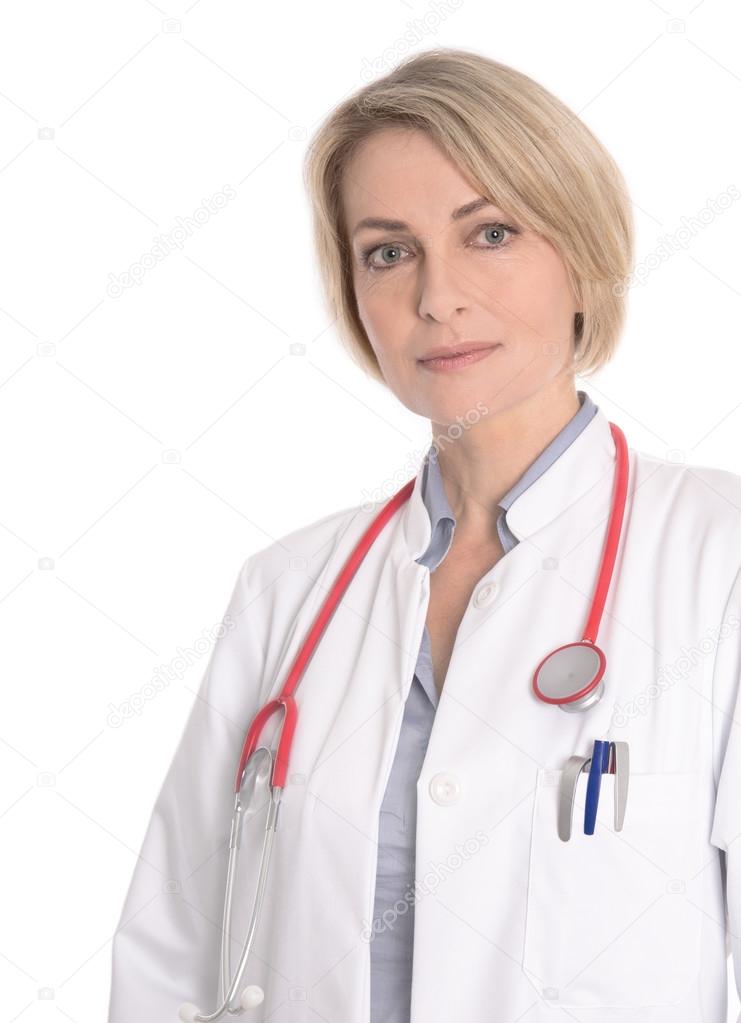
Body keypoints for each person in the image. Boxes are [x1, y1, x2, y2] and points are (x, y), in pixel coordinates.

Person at [108, 48, 741, 1022]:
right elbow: (174, 952)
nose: (437, 296)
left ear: (583, 253)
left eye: (489, 232)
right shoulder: (288, 591)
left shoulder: (719, 557)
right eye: (388, 251)